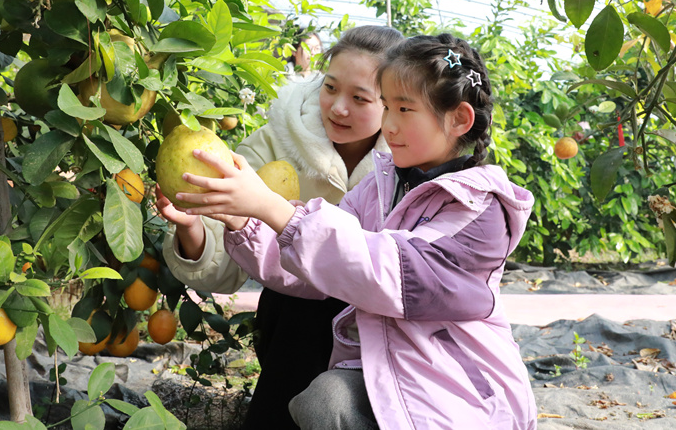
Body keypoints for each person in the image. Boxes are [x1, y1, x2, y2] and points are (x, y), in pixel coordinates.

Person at [171, 33, 538, 430]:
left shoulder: (479, 208)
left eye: (403, 108)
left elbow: (392, 273)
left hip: (457, 383)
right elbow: (303, 266)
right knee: (324, 401)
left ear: (459, 119)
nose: (389, 124)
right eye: (386, 106)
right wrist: (242, 219)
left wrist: (272, 208)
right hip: (386, 367)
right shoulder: (379, 188)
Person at [156, 25, 404, 430]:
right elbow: (227, 262)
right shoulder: (274, 143)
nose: (338, 108)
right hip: (294, 318)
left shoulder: (407, 158)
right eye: (330, 88)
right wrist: (191, 229)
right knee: (304, 309)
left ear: (393, 104)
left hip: (381, 325)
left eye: (359, 98)